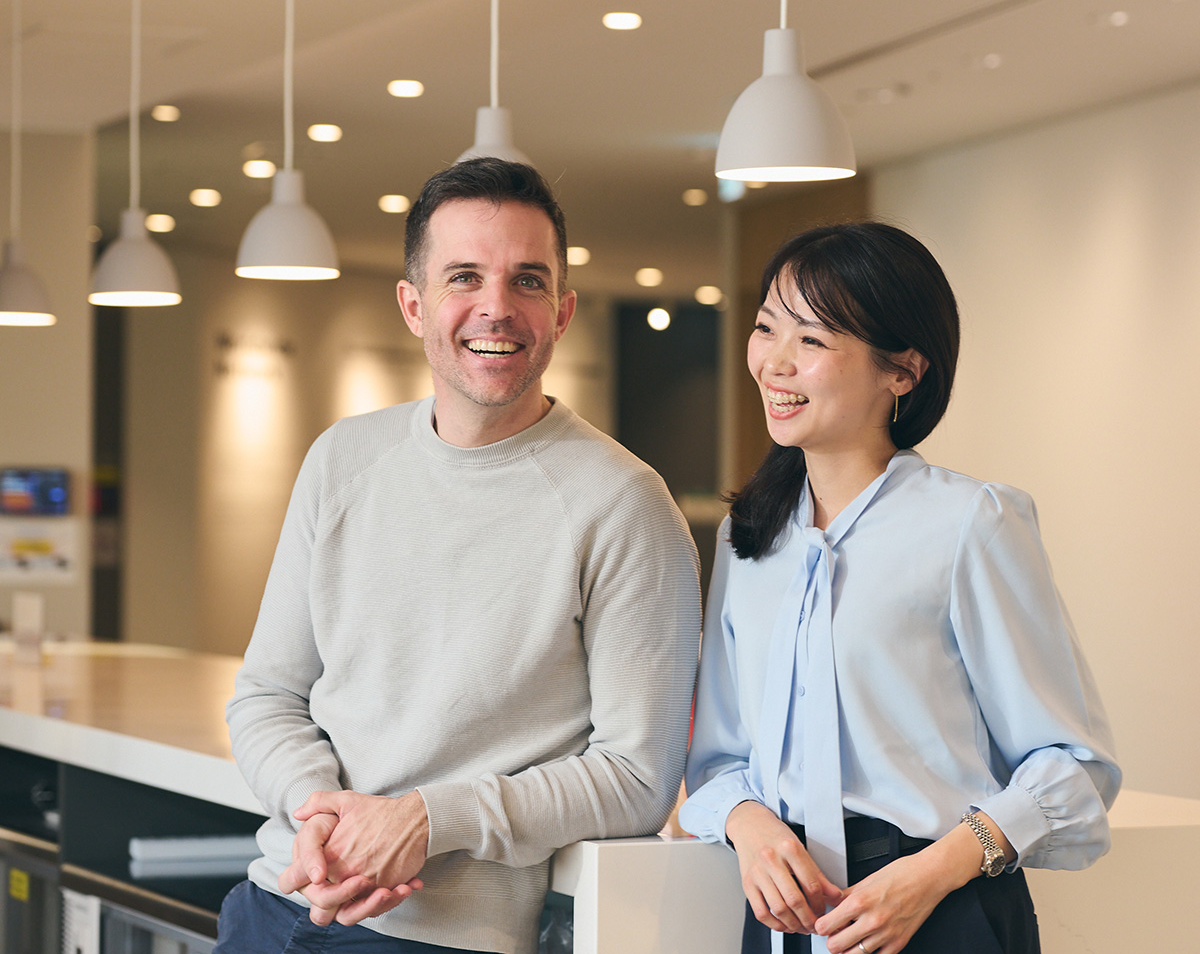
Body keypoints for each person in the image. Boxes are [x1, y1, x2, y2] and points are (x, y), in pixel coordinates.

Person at [218, 157, 702, 954]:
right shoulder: (342, 458)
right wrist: (322, 819)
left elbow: (638, 777)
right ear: (414, 305)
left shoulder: (625, 503)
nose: (496, 308)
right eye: (465, 277)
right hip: (277, 902)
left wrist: (424, 820)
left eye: (528, 281)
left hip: (444, 940)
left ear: (564, 309)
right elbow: (267, 693)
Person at [679, 222, 1119, 954]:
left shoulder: (971, 523)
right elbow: (719, 755)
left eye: (812, 342)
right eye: (766, 329)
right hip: (784, 920)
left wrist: (932, 873)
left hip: (942, 913)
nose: (774, 364)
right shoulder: (746, 536)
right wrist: (748, 824)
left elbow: (1074, 765)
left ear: (903, 371)